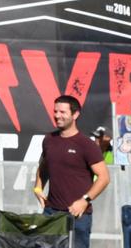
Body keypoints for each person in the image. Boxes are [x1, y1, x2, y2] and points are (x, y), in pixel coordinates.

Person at [34, 95, 109, 248]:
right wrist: (38, 187)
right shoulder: (49, 139)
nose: (57, 116)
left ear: (75, 115)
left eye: (62, 112)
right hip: (51, 213)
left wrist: (84, 201)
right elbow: (43, 166)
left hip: (78, 216)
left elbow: (104, 178)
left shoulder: (86, 145)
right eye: (55, 111)